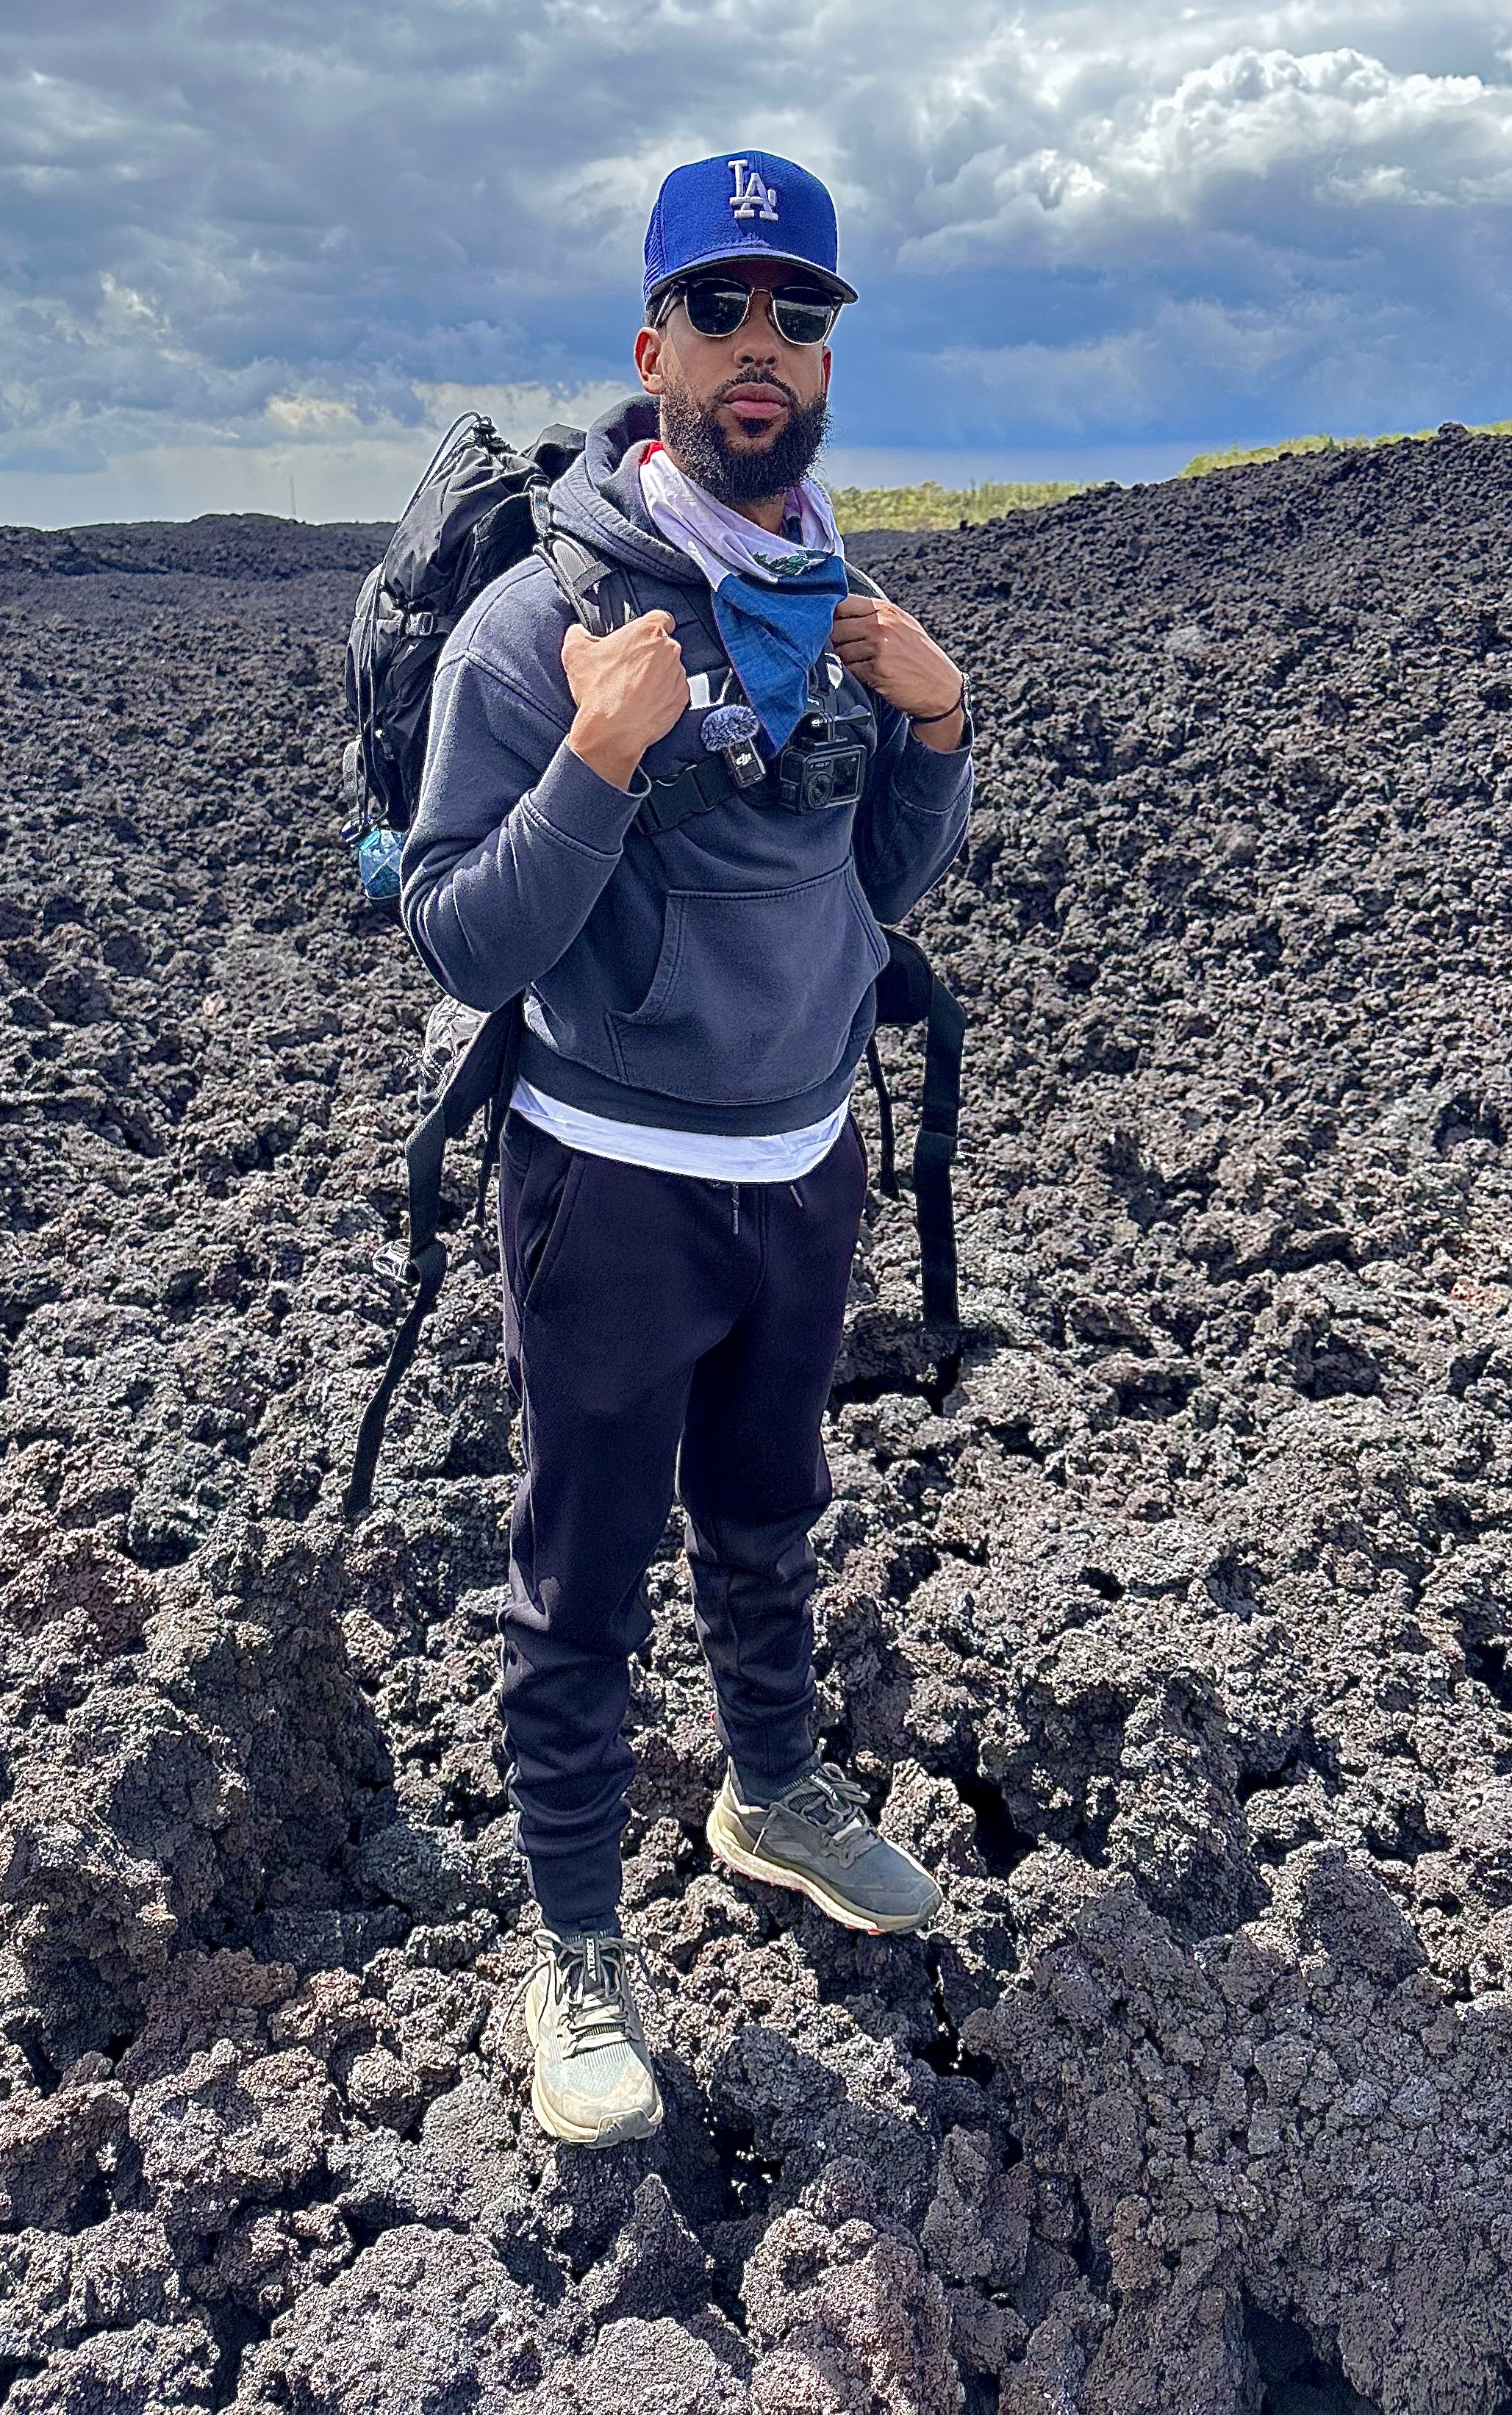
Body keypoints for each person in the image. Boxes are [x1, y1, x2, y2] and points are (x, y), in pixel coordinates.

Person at [401, 151, 972, 2147]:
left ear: (825, 366)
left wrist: (937, 731)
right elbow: (465, 933)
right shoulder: (532, 625)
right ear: (652, 354)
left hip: (800, 1165)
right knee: (577, 1584)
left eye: (797, 317)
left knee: (766, 1509)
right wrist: (593, 758)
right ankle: (570, 1943)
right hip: (610, 1183)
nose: (762, 349)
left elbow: (878, 890)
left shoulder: (843, 602)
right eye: (722, 313)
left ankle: (771, 1790)